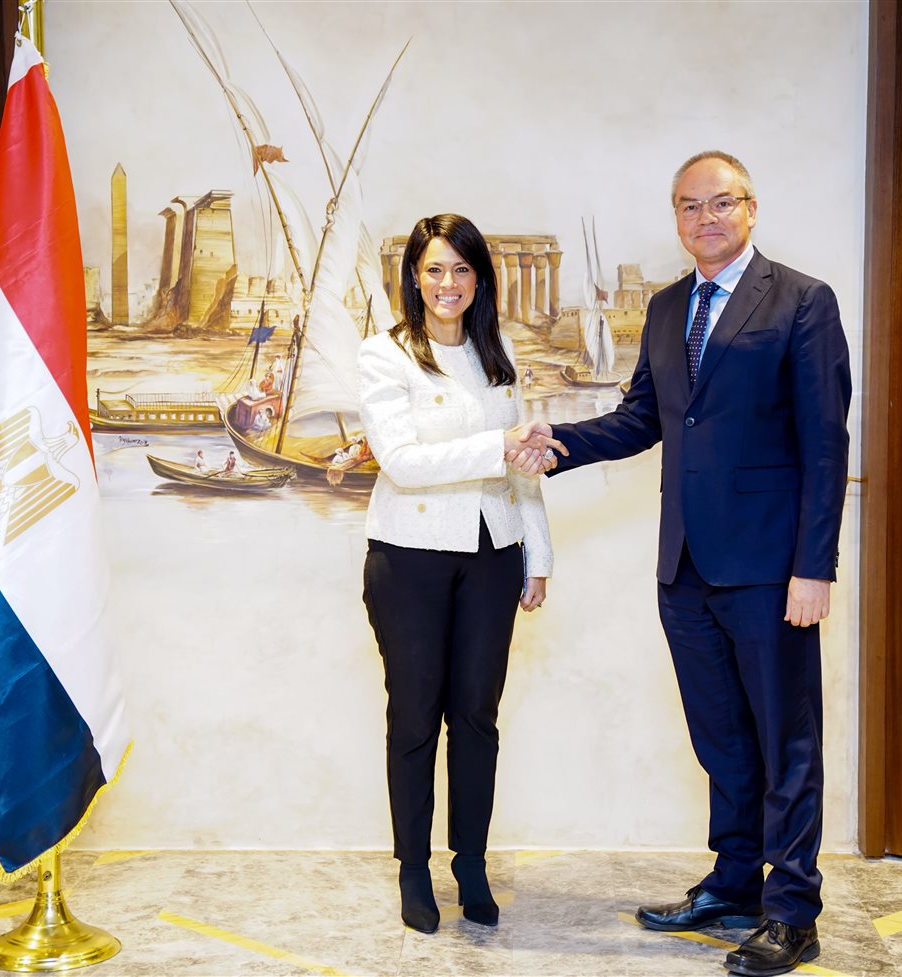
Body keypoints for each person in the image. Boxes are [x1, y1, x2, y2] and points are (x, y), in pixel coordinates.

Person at [517, 152, 850, 976]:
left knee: (787, 743)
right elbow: (643, 419)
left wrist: (814, 567)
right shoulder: (670, 308)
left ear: (751, 208)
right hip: (686, 569)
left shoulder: (802, 300)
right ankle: (734, 884)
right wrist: (560, 444)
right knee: (722, 739)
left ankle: (792, 911)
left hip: (770, 570)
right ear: (676, 218)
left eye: (720, 203)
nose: (706, 217)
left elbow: (824, 443)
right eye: (690, 206)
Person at [357, 213, 566, 935]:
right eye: (435, 269)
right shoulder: (384, 355)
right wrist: (498, 444)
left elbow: (523, 468)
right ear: (414, 278)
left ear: (480, 278)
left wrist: (538, 556)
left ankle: (470, 862)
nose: (449, 283)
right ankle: (413, 868)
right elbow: (402, 463)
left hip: (492, 553)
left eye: (462, 269)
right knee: (415, 715)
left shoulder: (497, 352)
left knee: (476, 714)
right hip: (409, 555)